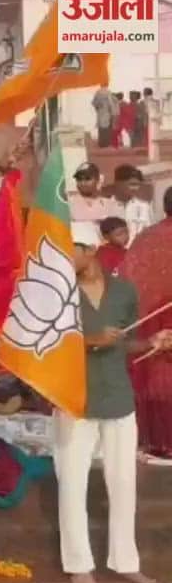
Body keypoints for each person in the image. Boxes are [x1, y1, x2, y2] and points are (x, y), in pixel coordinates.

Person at [59, 221, 171, 583]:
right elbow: (45, 351)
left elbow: (126, 344)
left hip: (118, 398)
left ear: (90, 251)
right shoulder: (56, 291)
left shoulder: (124, 292)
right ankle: (79, 566)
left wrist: (152, 341)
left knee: (124, 483)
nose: (65, 256)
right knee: (71, 485)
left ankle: (126, 562)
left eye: (71, 248)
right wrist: (90, 341)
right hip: (73, 399)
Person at [122, 189, 172, 460]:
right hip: (157, 320)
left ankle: (154, 440)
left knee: (155, 382)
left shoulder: (144, 239)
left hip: (148, 323)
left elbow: (130, 280)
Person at [109, 164, 153, 242]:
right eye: (132, 184)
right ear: (118, 183)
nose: (135, 188)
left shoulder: (144, 207)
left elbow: (150, 234)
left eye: (137, 185)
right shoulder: (106, 206)